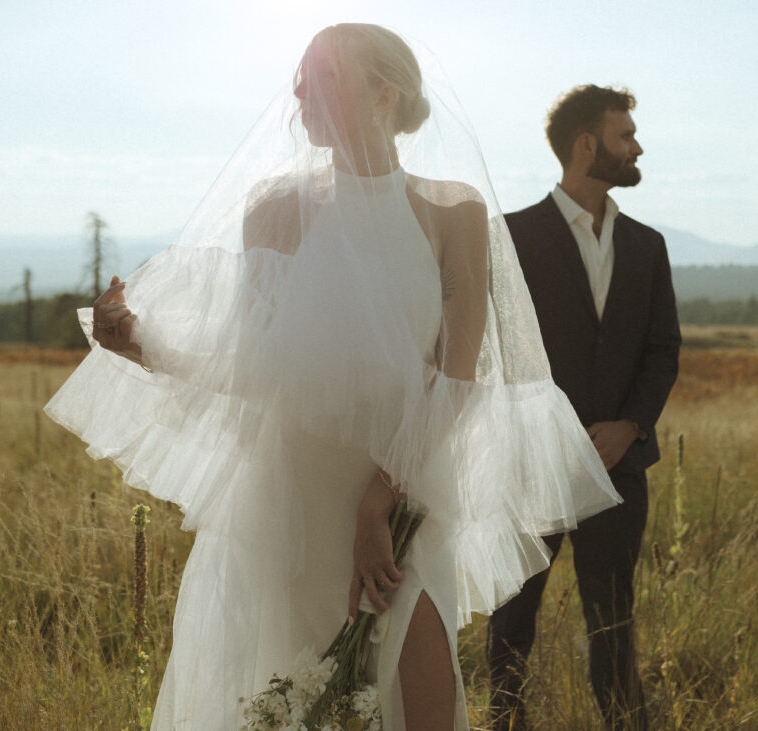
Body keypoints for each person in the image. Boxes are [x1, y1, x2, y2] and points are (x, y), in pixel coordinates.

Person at [45, 25, 620, 730]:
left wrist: (382, 501)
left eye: (320, 74)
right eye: (296, 75)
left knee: (423, 700)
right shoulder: (276, 209)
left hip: (405, 493)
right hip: (295, 501)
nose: (296, 91)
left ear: (385, 92)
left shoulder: (452, 210)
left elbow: (461, 379)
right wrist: (142, 345)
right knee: (298, 696)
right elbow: (259, 363)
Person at [486, 85, 682, 730]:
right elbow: (493, 352)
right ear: (586, 145)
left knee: (615, 626)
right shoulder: (509, 238)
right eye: (625, 135)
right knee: (511, 625)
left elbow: (661, 350)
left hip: (616, 468)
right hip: (529, 464)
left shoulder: (648, 246)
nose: (638, 147)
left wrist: (631, 427)